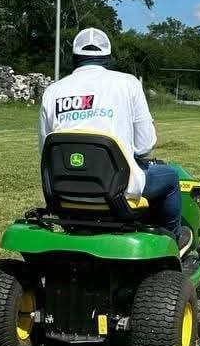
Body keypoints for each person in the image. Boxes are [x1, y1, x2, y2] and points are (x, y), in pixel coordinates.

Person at [38, 27, 188, 252]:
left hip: (62, 192)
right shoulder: (128, 84)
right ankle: (172, 241)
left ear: (74, 58)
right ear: (107, 58)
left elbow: (45, 150)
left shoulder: (53, 91)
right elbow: (145, 144)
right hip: (117, 190)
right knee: (170, 178)